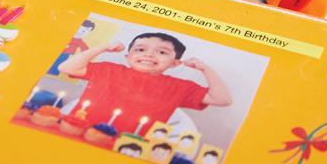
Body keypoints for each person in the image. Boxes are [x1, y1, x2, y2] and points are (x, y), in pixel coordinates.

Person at [59, 32, 232, 136]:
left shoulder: (181, 87)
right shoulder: (107, 69)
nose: (149, 55)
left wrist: (205, 69)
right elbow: (66, 67)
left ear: (175, 63)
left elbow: (222, 99)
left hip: (128, 148)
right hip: (76, 133)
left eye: (162, 52)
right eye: (140, 49)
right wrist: (103, 47)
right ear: (128, 56)